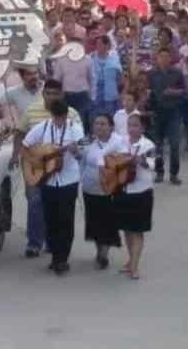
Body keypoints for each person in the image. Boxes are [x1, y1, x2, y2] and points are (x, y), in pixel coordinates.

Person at [12, 79, 81, 259]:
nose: (51, 97)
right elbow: (20, 134)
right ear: (43, 94)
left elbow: (81, 144)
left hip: (62, 173)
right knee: (35, 203)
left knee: (56, 210)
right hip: (36, 167)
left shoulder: (72, 115)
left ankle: (53, 245)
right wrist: (17, 157)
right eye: (48, 93)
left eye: (55, 94)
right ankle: (34, 243)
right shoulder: (32, 110)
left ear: (62, 95)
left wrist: (77, 151)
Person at [21, 99, 84, 275]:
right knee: (50, 219)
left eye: (62, 118)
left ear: (66, 115)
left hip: (68, 180)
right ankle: (55, 256)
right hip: (47, 180)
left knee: (65, 220)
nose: (59, 121)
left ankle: (62, 259)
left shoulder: (75, 129)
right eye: (56, 117)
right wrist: (35, 161)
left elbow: (81, 155)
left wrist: (75, 151)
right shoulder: (43, 127)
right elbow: (25, 146)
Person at [80, 113, 128, 269]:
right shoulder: (87, 143)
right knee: (94, 223)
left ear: (111, 127)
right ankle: (99, 249)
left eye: (103, 124)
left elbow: (124, 164)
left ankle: (104, 254)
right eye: (96, 123)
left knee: (107, 223)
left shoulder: (119, 142)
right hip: (90, 189)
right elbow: (81, 163)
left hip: (110, 190)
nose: (99, 127)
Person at [115, 114, 156, 281]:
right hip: (123, 190)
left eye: (136, 125)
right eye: (130, 125)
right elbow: (111, 159)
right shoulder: (120, 142)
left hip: (142, 191)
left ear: (143, 128)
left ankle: (135, 266)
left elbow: (152, 165)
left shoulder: (148, 145)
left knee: (138, 230)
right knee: (126, 228)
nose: (132, 128)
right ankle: (131, 259)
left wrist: (140, 160)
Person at [147, 47, 185, 184]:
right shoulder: (151, 74)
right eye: (160, 56)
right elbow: (148, 93)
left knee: (174, 144)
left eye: (166, 56)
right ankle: (159, 172)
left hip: (173, 112)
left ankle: (174, 174)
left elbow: (184, 91)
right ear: (157, 58)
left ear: (170, 58)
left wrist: (174, 92)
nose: (163, 59)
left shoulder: (177, 73)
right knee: (158, 146)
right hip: (157, 112)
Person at [53, 47, 92, 132]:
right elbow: (57, 79)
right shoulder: (61, 60)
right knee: (68, 119)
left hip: (82, 95)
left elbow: (92, 77)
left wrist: (91, 94)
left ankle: (82, 140)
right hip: (66, 96)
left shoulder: (87, 59)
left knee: (82, 120)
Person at [90, 35, 122, 118]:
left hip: (111, 94)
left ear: (107, 45)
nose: (97, 46)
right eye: (96, 44)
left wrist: (119, 92)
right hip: (96, 95)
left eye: (100, 44)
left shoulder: (114, 57)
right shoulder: (90, 57)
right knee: (96, 117)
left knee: (110, 118)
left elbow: (119, 76)